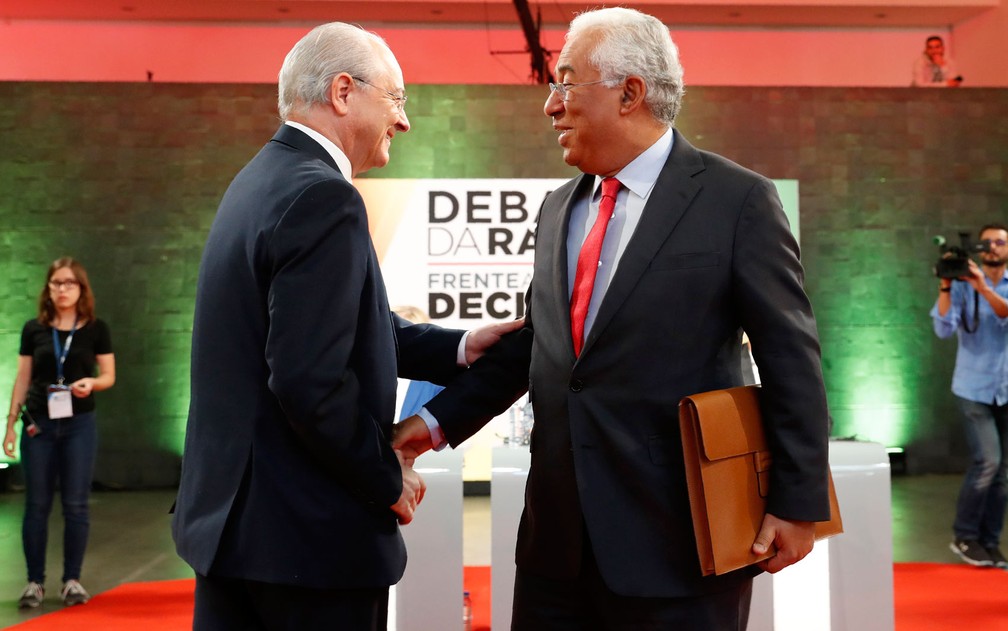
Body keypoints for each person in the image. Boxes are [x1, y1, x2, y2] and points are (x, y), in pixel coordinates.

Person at [394, 7, 832, 629]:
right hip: (555, 549)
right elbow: (540, 350)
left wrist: (798, 501)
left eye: (566, 84)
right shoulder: (557, 209)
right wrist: (428, 426)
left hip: (682, 544)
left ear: (630, 94)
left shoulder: (737, 201)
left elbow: (791, 358)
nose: (551, 106)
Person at [170, 22, 520, 631]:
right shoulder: (324, 197)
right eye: (397, 98)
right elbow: (308, 380)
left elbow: (343, 329)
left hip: (237, 532)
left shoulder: (261, 179)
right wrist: (386, 477)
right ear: (342, 92)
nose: (403, 121)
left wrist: (460, 347)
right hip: (305, 547)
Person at [3, 257, 115, 609]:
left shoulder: (96, 328)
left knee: (76, 504)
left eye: (69, 283)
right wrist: (10, 424)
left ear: (81, 288)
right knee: (36, 504)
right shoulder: (33, 329)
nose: (62, 289)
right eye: (56, 283)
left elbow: (109, 374)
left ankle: (72, 581)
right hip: (39, 422)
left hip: (79, 423)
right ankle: (34, 582)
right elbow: (23, 378)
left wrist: (91, 383)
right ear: (48, 288)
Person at [931, 224, 1008, 569]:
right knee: (988, 462)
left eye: (1000, 241)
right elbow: (942, 328)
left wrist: (982, 288)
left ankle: (989, 542)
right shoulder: (962, 284)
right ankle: (964, 536)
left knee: (1002, 471)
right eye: (987, 242)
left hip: (1005, 389)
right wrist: (947, 284)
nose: (993, 247)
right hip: (973, 388)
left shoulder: (991, 285)